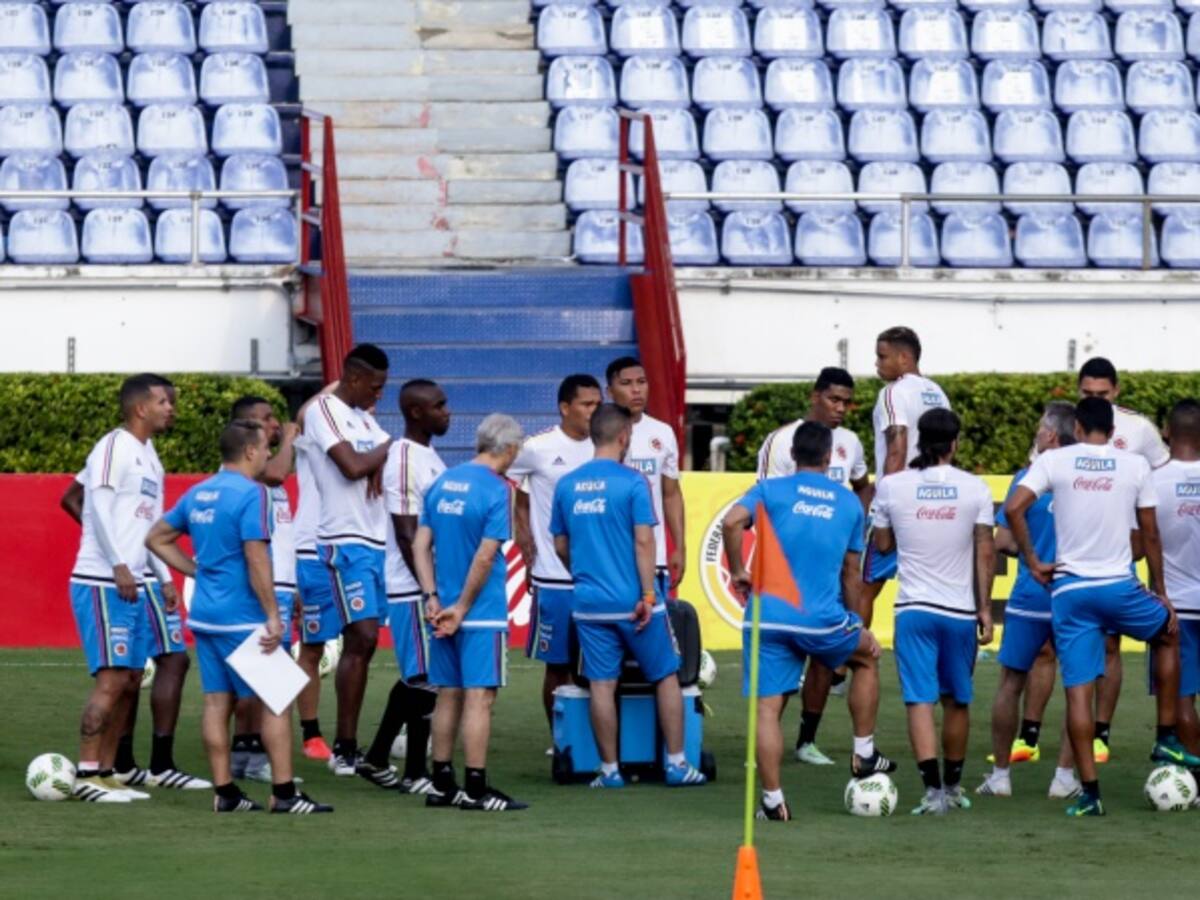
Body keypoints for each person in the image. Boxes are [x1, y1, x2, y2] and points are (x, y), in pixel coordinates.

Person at [1006, 397, 1200, 816]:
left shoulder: (1055, 461)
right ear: (1112, 432)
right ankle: (1165, 735)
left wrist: (1034, 560)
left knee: (1078, 692)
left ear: (1076, 428)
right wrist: (1162, 592)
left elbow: (1012, 507)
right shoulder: (1134, 465)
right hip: (1118, 586)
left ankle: (1090, 795)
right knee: (1169, 632)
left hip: (1071, 592)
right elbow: (1150, 536)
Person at [146, 419, 332, 814]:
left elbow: (155, 537)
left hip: (207, 615)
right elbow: (256, 556)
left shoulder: (200, 493)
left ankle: (225, 793)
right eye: (265, 447)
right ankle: (284, 795)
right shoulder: (253, 495)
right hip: (244, 617)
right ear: (250, 451)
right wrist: (272, 615)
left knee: (217, 703)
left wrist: (197, 572)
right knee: (277, 702)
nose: (269, 454)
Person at [724, 422, 895, 821]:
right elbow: (852, 574)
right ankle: (864, 754)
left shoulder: (769, 490)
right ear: (829, 457)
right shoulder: (850, 503)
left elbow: (732, 522)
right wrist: (857, 622)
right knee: (868, 657)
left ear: (793, 456)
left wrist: (737, 571)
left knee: (768, 709)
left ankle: (772, 801)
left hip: (768, 617)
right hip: (820, 619)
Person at [61, 374, 209, 792]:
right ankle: (88, 772)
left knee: (128, 680)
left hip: (135, 583)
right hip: (102, 581)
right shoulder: (113, 447)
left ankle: (109, 774)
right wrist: (118, 565)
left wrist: (162, 577)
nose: (171, 408)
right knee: (110, 680)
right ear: (141, 407)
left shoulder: (151, 458)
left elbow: (149, 529)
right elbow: (99, 508)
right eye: (165, 401)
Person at [551, 403, 708, 791]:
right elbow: (643, 540)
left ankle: (609, 771)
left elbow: (559, 544)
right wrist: (648, 594)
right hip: (635, 602)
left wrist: (584, 575)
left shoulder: (567, 484)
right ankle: (675, 764)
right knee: (666, 675)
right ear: (624, 437)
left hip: (589, 603)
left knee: (602, 684)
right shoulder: (634, 481)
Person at [873, 408, 996, 815]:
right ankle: (955, 787)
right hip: (959, 611)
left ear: (919, 442)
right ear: (955, 442)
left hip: (913, 609)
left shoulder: (892, 487)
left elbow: (884, 545)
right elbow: (984, 550)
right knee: (957, 701)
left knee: (919, 701)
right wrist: (984, 609)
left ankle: (932, 794)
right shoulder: (975, 488)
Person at [756, 366, 871, 767]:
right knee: (785, 657)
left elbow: (862, 485)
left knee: (826, 658)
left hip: (834, 566)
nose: (840, 408)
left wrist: (857, 525)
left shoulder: (851, 443)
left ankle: (807, 740)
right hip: (789, 571)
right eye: (833, 399)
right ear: (814, 396)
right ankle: (771, 734)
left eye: (846, 402)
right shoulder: (782, 441)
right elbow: (765, 501)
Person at [414, 414, 528, 811]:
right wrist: (462, 607)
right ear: (510, 449)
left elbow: (420, 544)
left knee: (448, 694)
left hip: (440, 607)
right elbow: (486, 554)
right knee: (480, 697)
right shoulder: (499, 490)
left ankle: (441, 783)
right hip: (478, 611)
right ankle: (475, 789)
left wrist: (432, 597)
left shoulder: (442, 481)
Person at [300, 345, 393, 776]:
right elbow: (353, 466)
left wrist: (379, 453)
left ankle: (348, 745)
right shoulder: (326, 410)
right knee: (362, 636)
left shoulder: (366, 418)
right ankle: (344, 746)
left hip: (375, 539)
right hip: (343, 538)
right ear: (353, 379)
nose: (379, 395)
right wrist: (384, 450)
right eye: (374, 386)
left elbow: (376, 464)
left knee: (365, 642)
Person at [978, 402, 1077, 799]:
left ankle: (1001, 777)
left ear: (1051, 435)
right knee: (1080, 686)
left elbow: (1001, 541)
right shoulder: (1087, 479)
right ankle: (1064, 777)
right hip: (1075, 593)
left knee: (1009, 683)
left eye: (1039, 427)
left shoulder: (1030, 477)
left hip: (1031, 591)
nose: (1036, 433)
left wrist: (1031, 553)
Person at [1075, 357, 1171, 763]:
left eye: (1102, 393)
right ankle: (1049, 740)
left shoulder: (1139, 430)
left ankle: (1100, 731)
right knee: (1064, 651)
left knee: (1111, 646)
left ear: (1116, 392)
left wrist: (1142, 538)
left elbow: (1165, 480)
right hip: (1074, 556)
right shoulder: (1066, 424)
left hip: (1118, 554)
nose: (1095, 398)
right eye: (1087, 393)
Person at [359, 380, 450, 793]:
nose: (447, 412)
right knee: (424, 678)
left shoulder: (429, 456)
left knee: (423, 676)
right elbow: (404, 530)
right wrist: (429, 590)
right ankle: (413, 771)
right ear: (415, 412)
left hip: (426, 584)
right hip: (411, 587)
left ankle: (379, 759)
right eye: (438, 406)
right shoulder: (404, 456)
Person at [510, 375, 600, 741]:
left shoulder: (607, 444)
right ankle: (560, 741)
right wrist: (523, 535)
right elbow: (511, 488)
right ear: (565, 408)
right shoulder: (538, 447)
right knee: (558, 665)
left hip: (598, 577)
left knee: (599, 666)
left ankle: (597, 740)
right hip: (553, 577)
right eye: (586, 404)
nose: (594, 411)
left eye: (598, 403)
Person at [226, 396, 299, 783]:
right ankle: (261, 758)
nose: (275, 423)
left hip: (283, 581)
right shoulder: (256, 470)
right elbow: (275, 475)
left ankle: (246, 750)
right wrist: (288, 440)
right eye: (266, 419)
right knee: (272, 681)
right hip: (267, 586)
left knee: (258, 679)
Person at [863, 328, 951, 626]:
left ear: (904, 357)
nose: (877, 363)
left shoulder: (892, 393)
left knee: (860, 586)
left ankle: (850, 662)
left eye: (882, 356)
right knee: (930, 590)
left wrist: (882, 507)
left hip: (899, 503)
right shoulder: (938, 393)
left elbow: (896, 448)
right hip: (934, 505)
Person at [605, 357, 686, 602]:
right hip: (609, 559)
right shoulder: (597, 433)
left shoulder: (662, 432)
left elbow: (671, 493)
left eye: (641, 382)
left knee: (652, 633)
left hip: (654, 558)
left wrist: (679, 547)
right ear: (609, 391)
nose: (636, 389)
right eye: (627, 383)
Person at [291, 385, 339, 762]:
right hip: (312, 551)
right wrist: (341, 378)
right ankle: (311, 733)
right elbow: (305, 413)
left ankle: (349, 739)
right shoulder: (314, 435)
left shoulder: (364, 431)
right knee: (312, 645)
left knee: (361, 644)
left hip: (356, 551)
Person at [1152, 400, 1200, 756]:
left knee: (1181, 699)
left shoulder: (1152, 482)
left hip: (1175, 608)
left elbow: (1138, 545)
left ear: (1167, 433)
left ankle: (1194, 775)